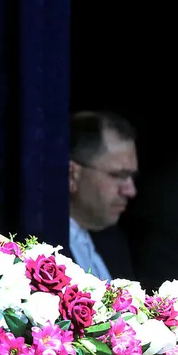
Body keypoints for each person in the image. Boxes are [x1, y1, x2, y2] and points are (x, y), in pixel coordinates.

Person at [68, 110, 138, 280]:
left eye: (132, 177)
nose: (131, 191)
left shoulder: (113, 242)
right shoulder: (35, 246)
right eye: (118, 175)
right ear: (72, 175)